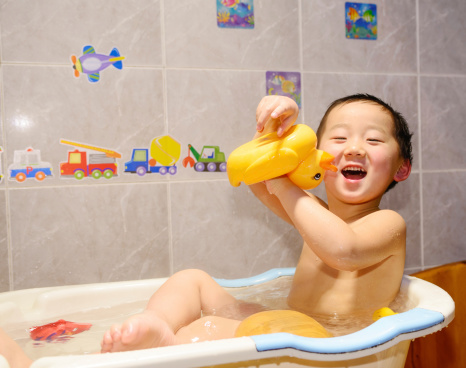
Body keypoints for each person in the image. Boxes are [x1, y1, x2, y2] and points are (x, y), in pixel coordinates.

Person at [100, 93, 413, 353]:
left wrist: (284, 183)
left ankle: (170, 344)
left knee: (206, 330)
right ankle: (158, 323)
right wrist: (273, 133)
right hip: (291, 323)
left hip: (332, 343)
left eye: (373, 139)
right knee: (191, 280)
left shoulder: (389, 223)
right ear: (316, 154)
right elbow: (257, 179)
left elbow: (344, 248)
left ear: (401, 168)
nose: (354, 147)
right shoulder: (312, 211)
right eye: (340, 137)